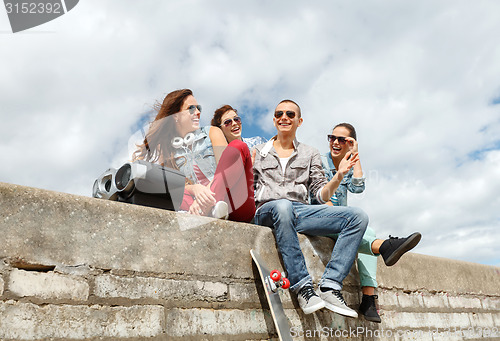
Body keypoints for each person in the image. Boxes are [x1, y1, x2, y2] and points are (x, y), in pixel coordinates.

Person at [252, 99, 368, 317]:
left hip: (298, 210)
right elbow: (248, 188)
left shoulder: (310, 153)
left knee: (357, 217)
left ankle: (330, 286)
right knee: (283, 206)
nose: (284, 117)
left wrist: (340, 174)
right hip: (267, 210)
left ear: (299, 121)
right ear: (274, 119)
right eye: (279, 114)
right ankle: (303, 287)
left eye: (290, 114)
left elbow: (320, 193)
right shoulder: (258, 151)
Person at [316, 123, 421, 323]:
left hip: (341, 221)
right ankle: (370, 294)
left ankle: (368, 296)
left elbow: (358, 188)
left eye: (343, 140)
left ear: (350, 144)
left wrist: (356, 156)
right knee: (365, 230)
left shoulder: (346, 162)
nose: (336, 142)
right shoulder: (320, 161)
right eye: (332, 138)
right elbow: (323, 199)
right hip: (322, 218)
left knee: (368, 230)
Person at [132, 89, 255, 222]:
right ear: (176, 116)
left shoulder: (212, 132)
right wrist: (195, 189)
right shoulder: (167, 150)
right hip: (195, 204)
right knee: (163, 186)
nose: (197, 112)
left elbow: (224, 172)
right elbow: (175, 184)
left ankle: (209, 208)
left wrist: (205, 200)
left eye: (198, 108)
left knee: (238, 147)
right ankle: (211, 210)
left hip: (231, 203)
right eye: (191, 109)